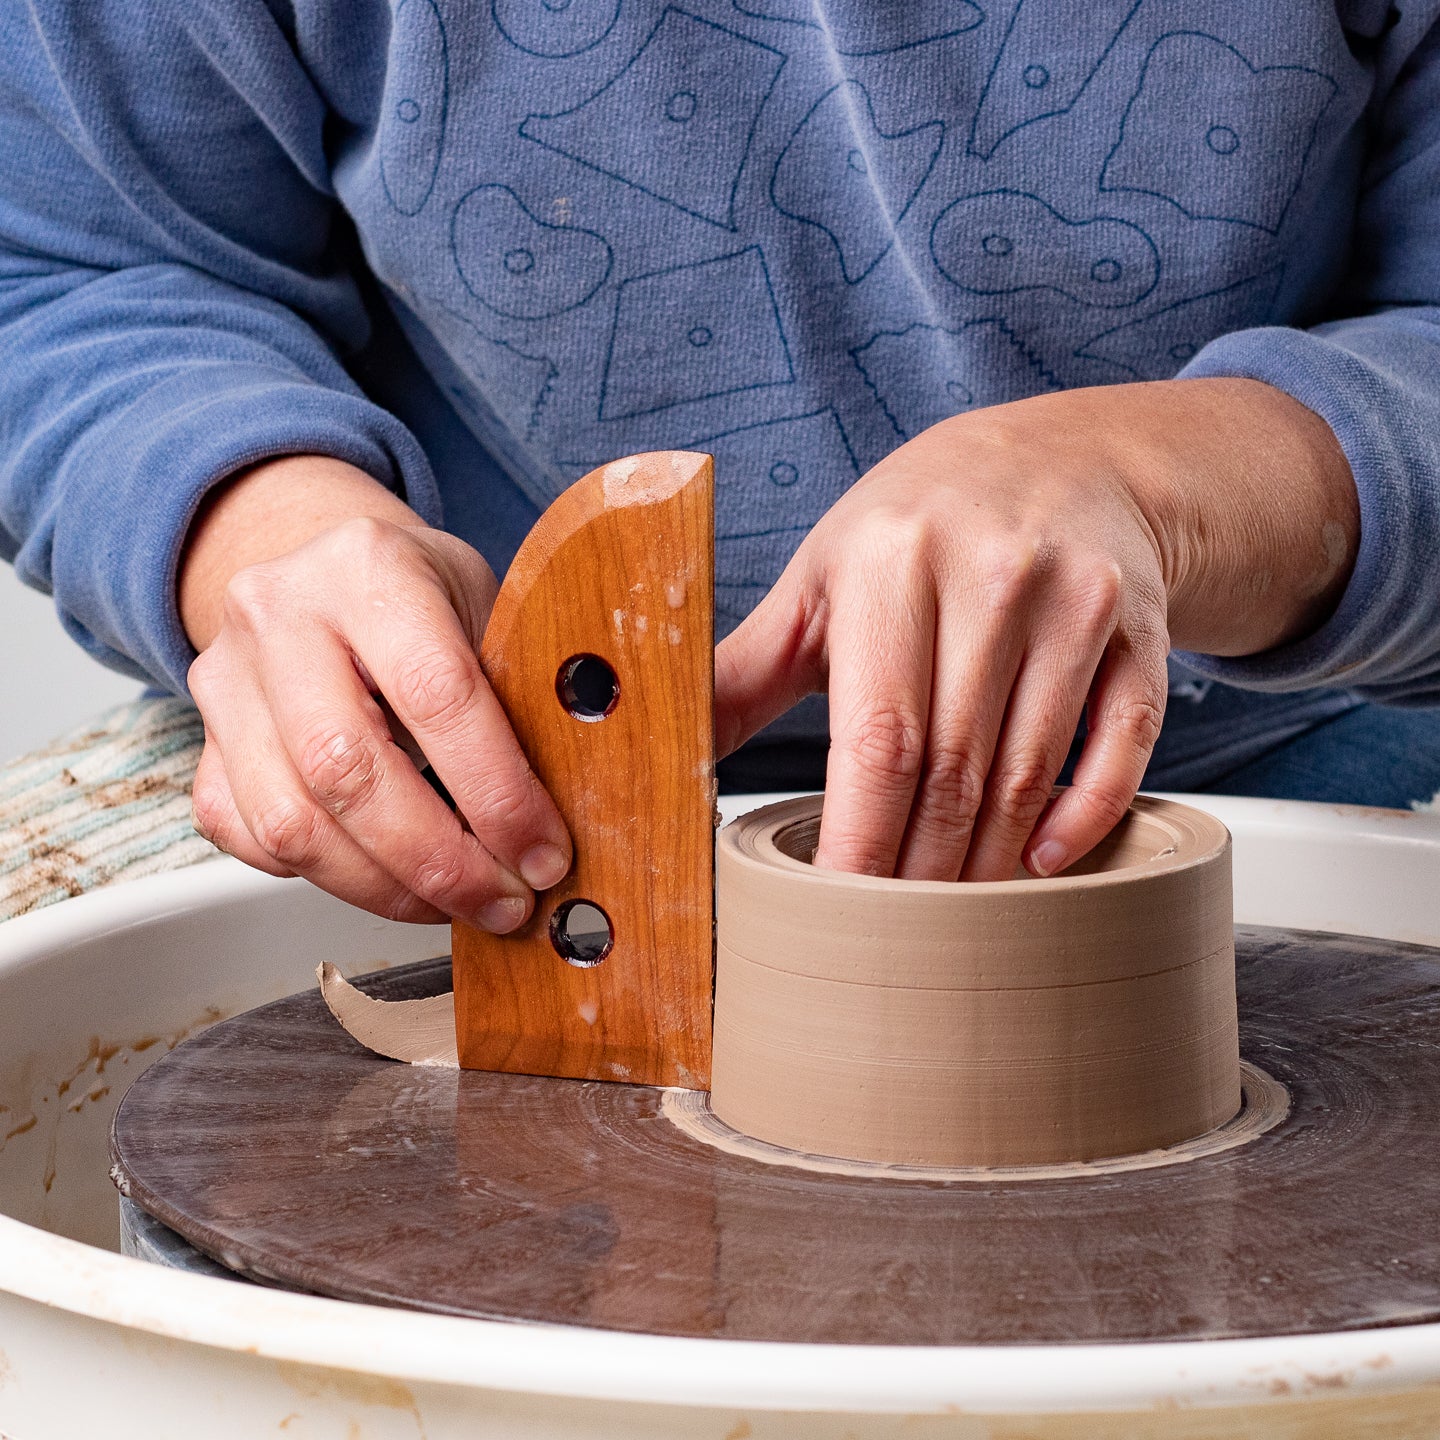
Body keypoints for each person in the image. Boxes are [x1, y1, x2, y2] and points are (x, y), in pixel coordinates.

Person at [1, 0, 1438, 935]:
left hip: (1283, 733)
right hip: (455, 781)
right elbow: (75, 267)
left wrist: (1160, 485)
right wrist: (258, 522)